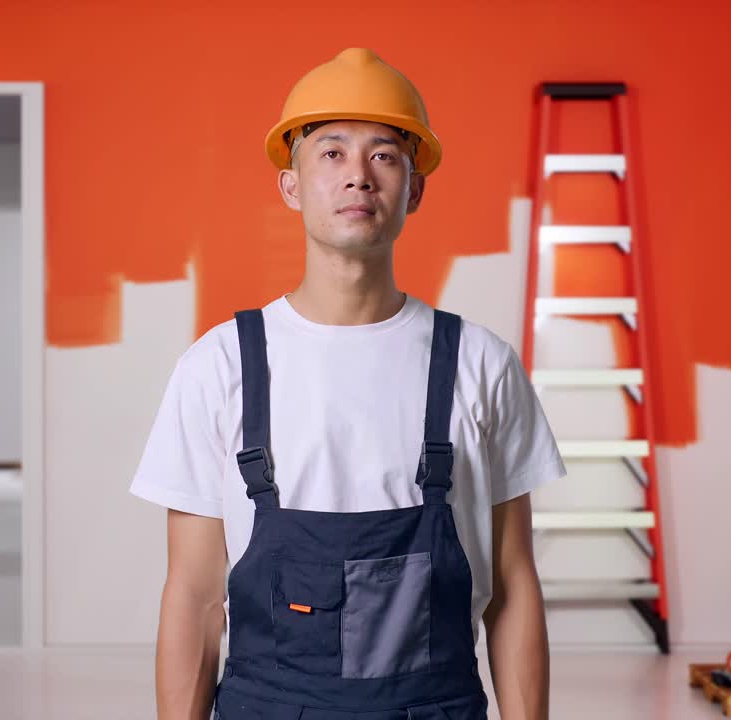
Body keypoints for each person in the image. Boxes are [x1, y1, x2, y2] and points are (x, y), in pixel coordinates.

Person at [130, 47, 566, 720]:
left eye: (385, 155)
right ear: (292, 184)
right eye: (331, 153)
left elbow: (512, 587)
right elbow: (192, 595)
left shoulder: (481, 364)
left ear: (414, 189)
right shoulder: (219, 367)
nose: (358, 177)